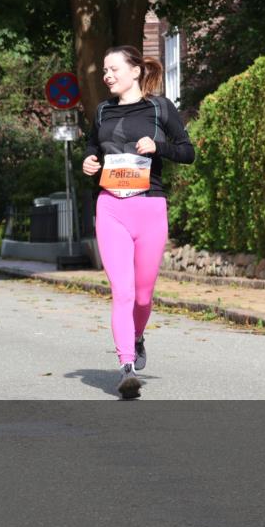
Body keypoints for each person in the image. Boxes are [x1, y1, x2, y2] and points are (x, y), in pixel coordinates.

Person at [81, 45, 195, 399]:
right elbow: (92, 149)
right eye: (104, 70)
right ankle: (126, 367)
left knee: (143, 297)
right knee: (123, 292)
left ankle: (137, 336)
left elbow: (187, 152)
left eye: (113, 69)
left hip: (149, 207)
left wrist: (158, 146)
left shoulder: (160, 108)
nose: (107, 76)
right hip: (111, 207)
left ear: (135, 72)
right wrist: (88, 162)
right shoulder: (102, 112)